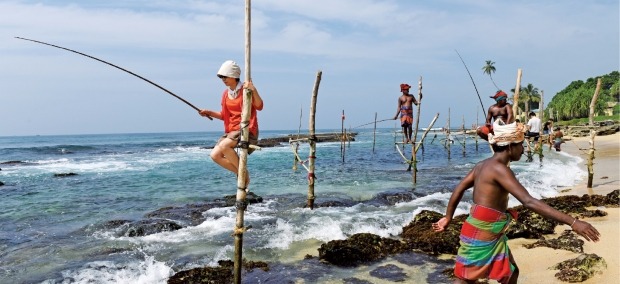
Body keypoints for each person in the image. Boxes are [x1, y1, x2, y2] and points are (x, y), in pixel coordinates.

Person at [432, 120, 600, 284]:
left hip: (486, 229)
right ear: (511, 146)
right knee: (465, 279)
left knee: (511, 272)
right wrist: (573, 222)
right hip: (483, 232)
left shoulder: (482, 165)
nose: (523, 149)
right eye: (521, 145)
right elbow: (528, 201)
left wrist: (448, 217)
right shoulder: (500, 169)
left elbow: (459, 188)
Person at [199, 60, 264, 190]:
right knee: (215, 155)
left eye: (225, 76)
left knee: (224, 146)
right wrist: (209, 112)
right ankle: (242, 173)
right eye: (221, 77)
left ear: (234, 76)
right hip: (231, 131)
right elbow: (224, 115)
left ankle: (243, 174)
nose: (223, 79)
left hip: (246, 128)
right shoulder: (225, 94)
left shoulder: (245, 89)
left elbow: (259, 106)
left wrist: (254, 89)